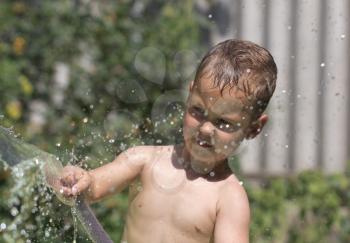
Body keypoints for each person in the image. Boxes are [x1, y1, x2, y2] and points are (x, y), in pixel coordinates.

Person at [58, 39, 277, 243]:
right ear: (190, 94)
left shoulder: (229, 199)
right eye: (198, 111)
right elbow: (95, 187)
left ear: (253, 128)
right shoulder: (144, 160)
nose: (206, 128)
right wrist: (81, 180)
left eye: (223, 122)